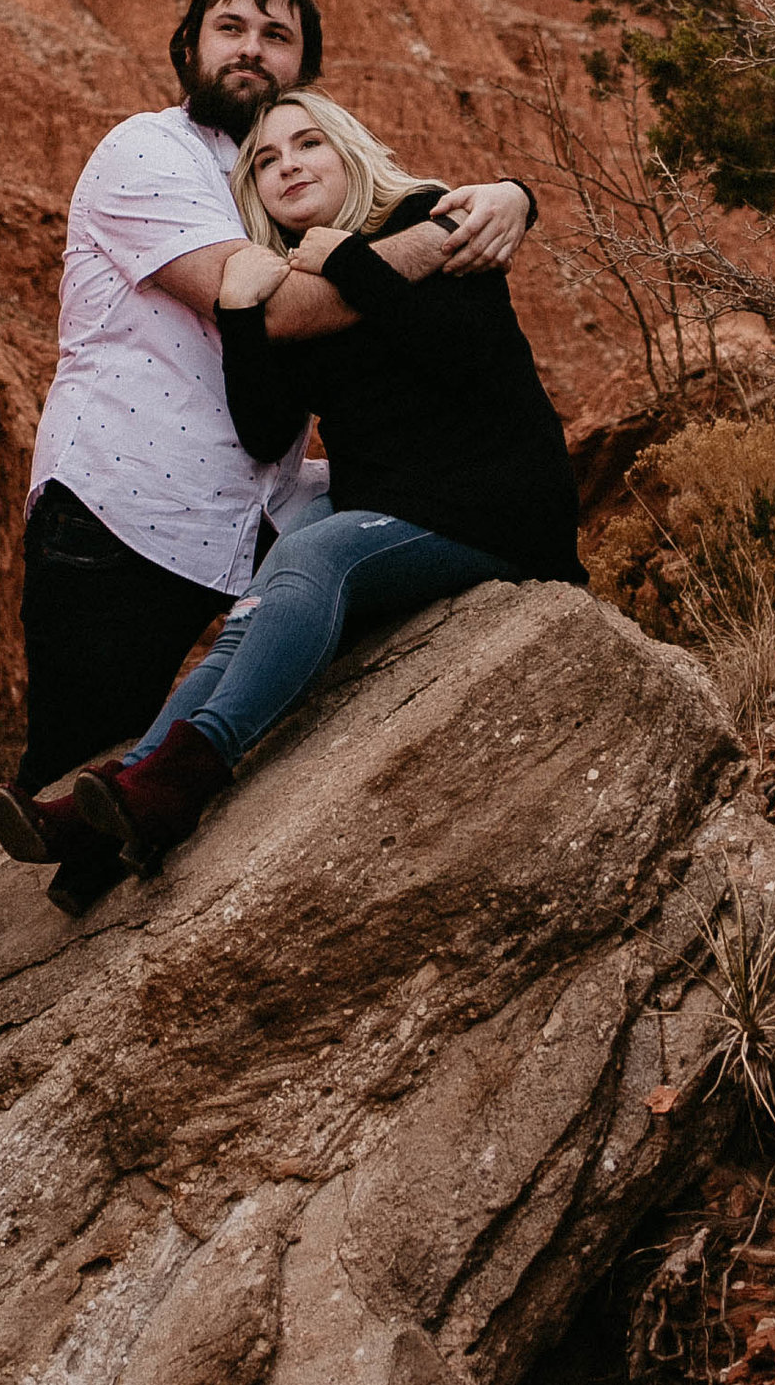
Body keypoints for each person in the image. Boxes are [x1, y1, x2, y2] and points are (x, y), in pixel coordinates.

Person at [0, 0, 534, 905]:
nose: (250, 50)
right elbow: (280, 323)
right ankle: (50, 912)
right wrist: (435, 243)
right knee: (75, 756)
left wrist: (513, 193)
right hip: (125, 515)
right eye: (231, 27)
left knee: (270, 614)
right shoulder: (147, 154)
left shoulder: (293, 191)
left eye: (277, 37)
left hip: (250, 511)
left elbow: (400, 340)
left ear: (305, 73)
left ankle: (137, 816)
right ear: (190, 46)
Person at [66, 87, 583, 878]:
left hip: (497, 502)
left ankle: (192, 769)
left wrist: (343, 257)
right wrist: (242, 316)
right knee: (263, 596)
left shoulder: (434, 220)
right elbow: (269, 432)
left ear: (347, 149)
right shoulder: (290, 285)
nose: (288, 166)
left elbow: (457, 356)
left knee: (320, 553)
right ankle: (127, 789)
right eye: (266, 161)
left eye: (307, 145)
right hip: (397, 501)